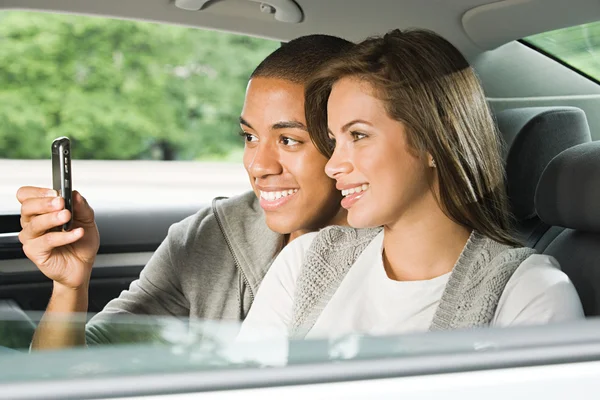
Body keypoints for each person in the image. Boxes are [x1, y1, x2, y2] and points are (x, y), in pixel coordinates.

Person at [238, 29, 584, 341]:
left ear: (436, 140)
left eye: (358, 135)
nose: (333, 165)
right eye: (334, 140)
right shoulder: (306, 263)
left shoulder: (527, 293)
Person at [18, 34, 354, 350]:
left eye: (288, 140)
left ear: (346, 143)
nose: (258, 165)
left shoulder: (390, 257)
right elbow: (72, 372)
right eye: (249, 137)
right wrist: (70, 288)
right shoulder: (208, 236)